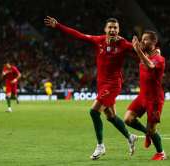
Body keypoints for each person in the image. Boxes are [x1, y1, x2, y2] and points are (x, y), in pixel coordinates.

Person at [44, 16, 137, 160]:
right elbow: (78, 35)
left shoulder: (124, 44)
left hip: (113, 84)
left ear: (119, 30)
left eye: (115, 28)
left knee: (94, 111)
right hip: (101, 84)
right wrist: (58, 26)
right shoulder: (98, 40)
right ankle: (130, 137)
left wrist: (153, 51)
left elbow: (141, 50)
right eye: (110, 27)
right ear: (105, 29)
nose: (112, 30)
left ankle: (100, 146)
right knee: (110, 116)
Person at [124, 31, 166, 160]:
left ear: (153, 42)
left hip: (154, 99)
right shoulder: (145, 53)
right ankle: (147, 134)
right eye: (142, 39)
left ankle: (161, 153)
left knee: (152, 130)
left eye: (145, 40)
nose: (143, 42)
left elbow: (151, 65)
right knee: (128, 119)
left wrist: (138, 51)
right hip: (142, 96)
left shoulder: (159, 59)